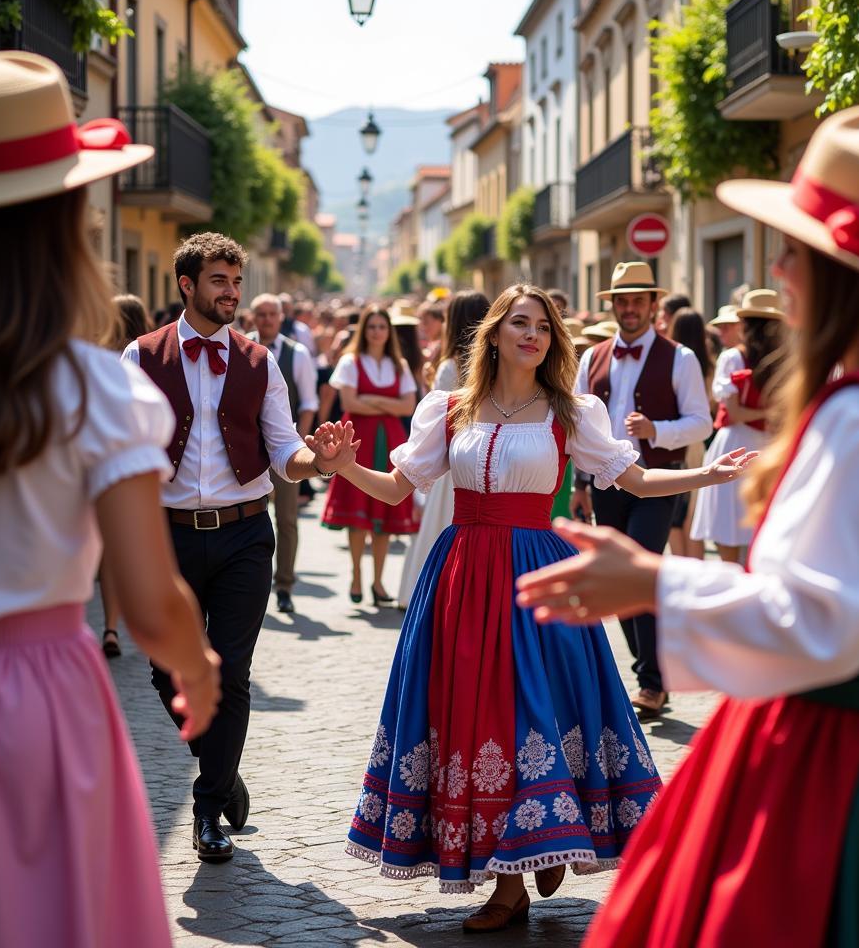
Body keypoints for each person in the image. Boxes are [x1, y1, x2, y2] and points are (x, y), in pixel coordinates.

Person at [516, 103, 859, 946]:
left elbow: (822, 620)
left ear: (844, 271)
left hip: (836, 771)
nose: (780, 266)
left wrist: (654, 581)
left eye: (794, 248)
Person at [312, 284, 754, 933]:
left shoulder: (571, 411)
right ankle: (517, 872)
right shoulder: (452, 408)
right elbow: (396, 485)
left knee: (533, 710)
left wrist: (705, 475)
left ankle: (534, 853)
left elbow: (632, 479)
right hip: (462, 573)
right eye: (519, 324)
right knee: (476, 714)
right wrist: (344, 465)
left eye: (542, 327)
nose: (532, 336)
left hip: (536, 574)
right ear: (494, 333)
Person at [0, 50, 220, 948]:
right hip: (32, 698)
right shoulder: (95, 390)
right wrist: (196, 667)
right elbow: (151, 600)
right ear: (65, 221)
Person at [123, 232, 332, 863]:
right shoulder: (139, 356)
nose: (231, 294)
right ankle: (222, 767)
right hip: (168, 534)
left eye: (236, 283)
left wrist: (314, 461)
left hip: (245, 531)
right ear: (187, 285)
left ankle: (208, 807)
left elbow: (282, 451)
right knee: (167, 669)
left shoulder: (260, 361)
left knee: (230, 671)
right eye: (219, 282)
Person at [573, 263, 712, 718]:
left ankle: (652, 681)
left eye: (638, 301)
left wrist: (657, 430)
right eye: (621, 301)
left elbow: (701, 422)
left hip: (658, 480)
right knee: (617, 578)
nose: (629, 309)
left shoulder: (681, 358)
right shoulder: (591, 358)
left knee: (640, 571)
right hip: (606, 483)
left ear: (654, 306)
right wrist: (579, 482)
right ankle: (651, 671)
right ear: (611, 305)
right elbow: (574, 425)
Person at [396, 291, 490, 611]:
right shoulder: (490, 364)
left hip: (453, 463)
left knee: (442, 531)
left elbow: (438, 425)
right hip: (479, 461)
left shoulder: (451, 365)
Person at [322, 305, 418, 606]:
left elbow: (408, 407)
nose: (377, 332)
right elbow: (350, 402)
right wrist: (387, 402)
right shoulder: (351, 361)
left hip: (390, 440)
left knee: (384, 516)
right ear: (364, 330)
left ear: (389, 332)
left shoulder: (399, 364)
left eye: (382, 326)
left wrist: (371, 400)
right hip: (358, 441)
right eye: (372, 326)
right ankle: (356, 575)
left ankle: (378, 581)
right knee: (358, 514)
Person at [690, 290, 784, 562]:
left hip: (740, 445)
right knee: (757, 530)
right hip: (764, 446)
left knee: (731, 530)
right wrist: (770, 413)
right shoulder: (770, 359)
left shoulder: (736, 357)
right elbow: (735, 411)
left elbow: (733, 411)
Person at [248, 294, 319, 615]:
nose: (266, 320)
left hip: (284, 448)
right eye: (260, 314)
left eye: (271, 314)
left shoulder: (297, 353)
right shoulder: (239, 347)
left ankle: (285, 585)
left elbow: (308, 403)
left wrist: (298, 443)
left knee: (287, 519)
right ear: (252, 317)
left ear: (281, 317)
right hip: (247, 451)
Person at [99, 293, 153, 658]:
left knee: (108, 552)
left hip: (104, 464)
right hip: (139, 467)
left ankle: (110, 625)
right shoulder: (149, 357)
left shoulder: (98, 359)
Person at [666, 308, 715, 561]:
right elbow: (712, 403)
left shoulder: (673, 361)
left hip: (675, 440)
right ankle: (696, 567)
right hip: (698, 443)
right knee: (692, 513)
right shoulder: (709, 365)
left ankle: (679, 564)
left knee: (674, 514)